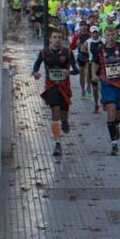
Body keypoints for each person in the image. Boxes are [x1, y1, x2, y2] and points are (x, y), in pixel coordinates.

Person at [31, 28, 75, 158]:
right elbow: (35, 66)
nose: (57, 39)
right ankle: (57, 144)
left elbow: (76, 69)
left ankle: (65, 121)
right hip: (51, 87)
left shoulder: (68, 52)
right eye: (54, 37)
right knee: (55, 111)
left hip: (64, 87)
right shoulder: (44, 53)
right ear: (50, 39)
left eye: (59, 37)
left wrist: (69, 72)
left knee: (63, 114)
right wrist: (35, 73)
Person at [93, 27, 120, 155]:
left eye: (113, 35)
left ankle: (116, 126)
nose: (111, 37)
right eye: (108, 35)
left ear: (116, 35)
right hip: (107, 84)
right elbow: (94, 63)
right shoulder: (100, 50)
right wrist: (93, 75)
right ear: (104, 36)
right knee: (111, 109)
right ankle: (114, 144)